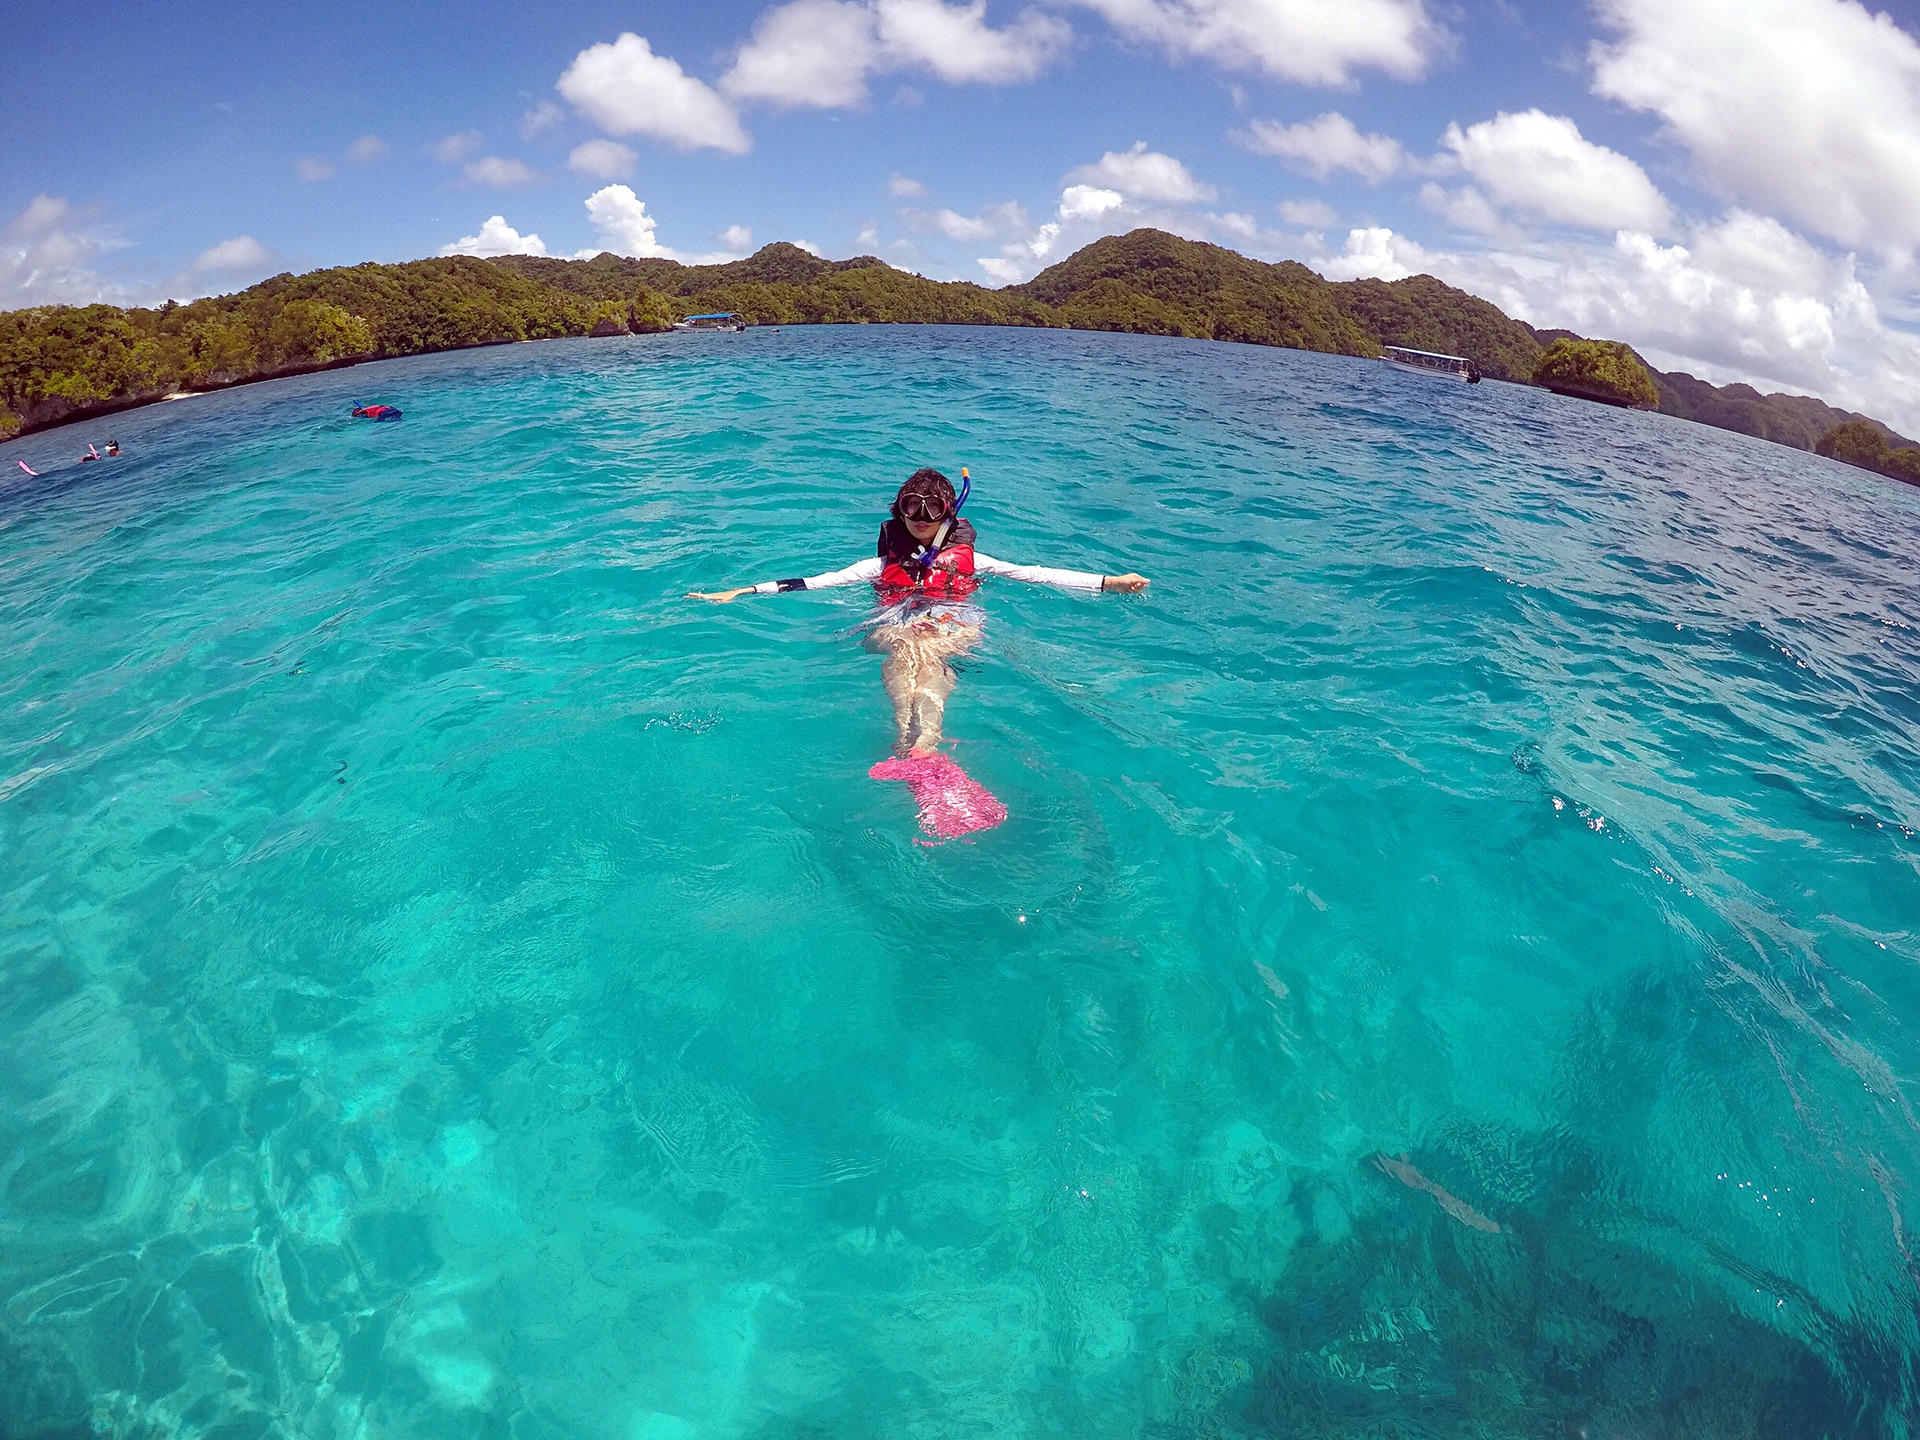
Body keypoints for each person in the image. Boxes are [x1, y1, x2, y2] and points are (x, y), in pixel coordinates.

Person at [689, 467, 1149, 756]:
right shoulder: (879, 565)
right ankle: (917, 742)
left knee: (920, 648)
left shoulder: (976, 561)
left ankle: (919, 742)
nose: (921, 517)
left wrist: (1107, 583)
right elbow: (812, 581)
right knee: (909, 646)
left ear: (950, 513)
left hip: (953, 625)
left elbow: (1036, 573)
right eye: (912, 507)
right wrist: (740, 591)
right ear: (899, 511)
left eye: (932, 509)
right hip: (895, 628)